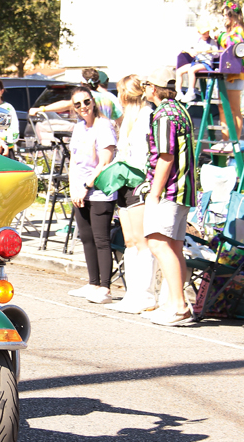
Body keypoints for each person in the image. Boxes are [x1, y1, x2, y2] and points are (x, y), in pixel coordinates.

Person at [139, 67, 196, 326]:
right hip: (183, 189)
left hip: (170, 189)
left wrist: (154, 192)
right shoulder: (180, 109)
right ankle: (177, 303)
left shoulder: (163, 114)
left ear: (153, 88)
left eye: (146, 85)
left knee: (158, 244)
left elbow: (166, 156)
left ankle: (178, 306)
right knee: (172, 246)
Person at [107, 74, 158, 314]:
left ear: (126, 94)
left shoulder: (147, 116)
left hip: (139, 181)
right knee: (129, 240)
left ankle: (146, 295)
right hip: (123, 181)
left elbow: (149, 154)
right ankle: (133, 292)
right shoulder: (126, 119)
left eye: (120, 92)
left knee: (142, 240)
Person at [66, 86, 118, 304]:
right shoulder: (79, 128)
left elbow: (105, 161)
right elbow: (74, 161)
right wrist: (74, 189)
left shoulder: (103, 126)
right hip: (81, 191)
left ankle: (105, 287)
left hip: (99, 191)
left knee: (101, 239)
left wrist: (86, 186)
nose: (83, 107)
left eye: (86, 102)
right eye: (78, 104)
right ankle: (93, 282)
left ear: (93, 101)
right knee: (86, 238)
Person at [28, 68, 123, 126]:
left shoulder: (85, 98)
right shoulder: (108, 98)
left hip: (91, 137)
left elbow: (65, 104)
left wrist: (41, 109)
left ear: (82, 83)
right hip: (107, 137)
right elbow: (120, 119)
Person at [215, 2, 244, 143]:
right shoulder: (229, 30)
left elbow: (233, 43)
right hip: (224, 73)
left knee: (234, 108)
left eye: (225, 15)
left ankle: (235, 141)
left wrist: (220, 35)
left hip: (235, 74)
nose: (224, 19)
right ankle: (225, 138)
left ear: (233, 15)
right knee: (222, 107)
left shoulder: (238, 29)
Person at [175, 20, 219, 102]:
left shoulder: (211, 41)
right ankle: (178, 92)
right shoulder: (197, 41)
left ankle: (191, 91)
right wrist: (190, 51)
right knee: (179, 71)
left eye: (207, 32)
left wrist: (210, 51)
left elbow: (217, 54)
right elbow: (186, 47)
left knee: (191, 70)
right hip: (196, 62)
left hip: (206, 63)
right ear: (199, 32)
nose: (206, 35)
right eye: (204, 33)